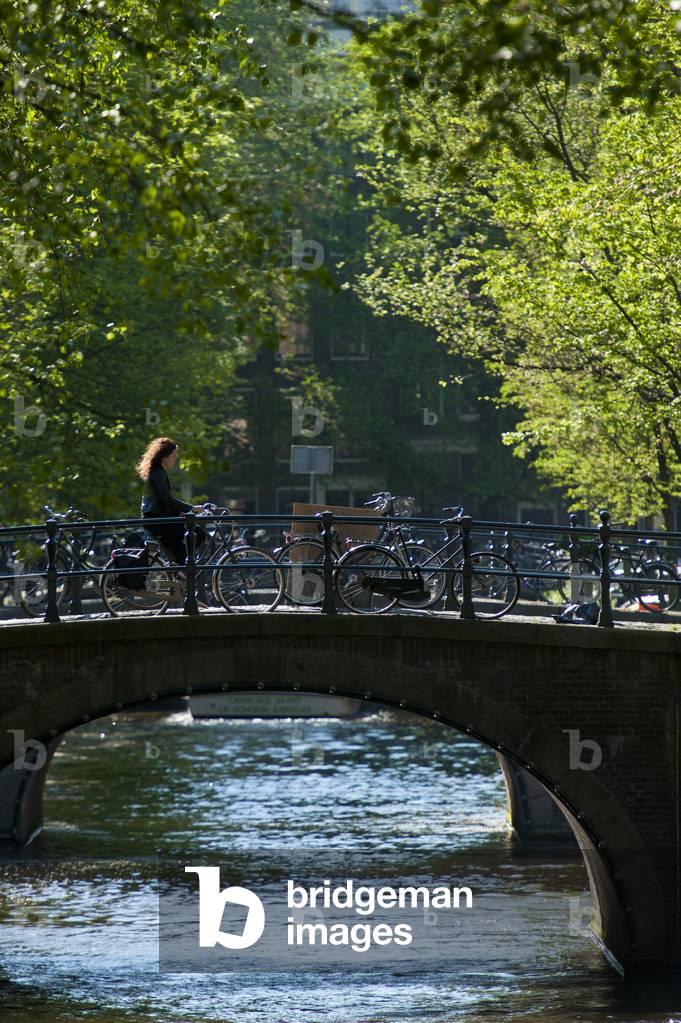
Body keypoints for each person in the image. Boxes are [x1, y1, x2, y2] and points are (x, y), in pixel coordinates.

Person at [136, 437, 207, 563]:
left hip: (156, 520)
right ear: (165, 457)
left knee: (180, 550)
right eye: (173, 456)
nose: (175, 459)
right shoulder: (158, 474)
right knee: (198, 534)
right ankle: (180, 570)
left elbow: (162, 501)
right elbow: (167, 499)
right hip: (157, 522)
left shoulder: (158, 472)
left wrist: (179, 513)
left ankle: (178, 573)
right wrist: (192, 508)